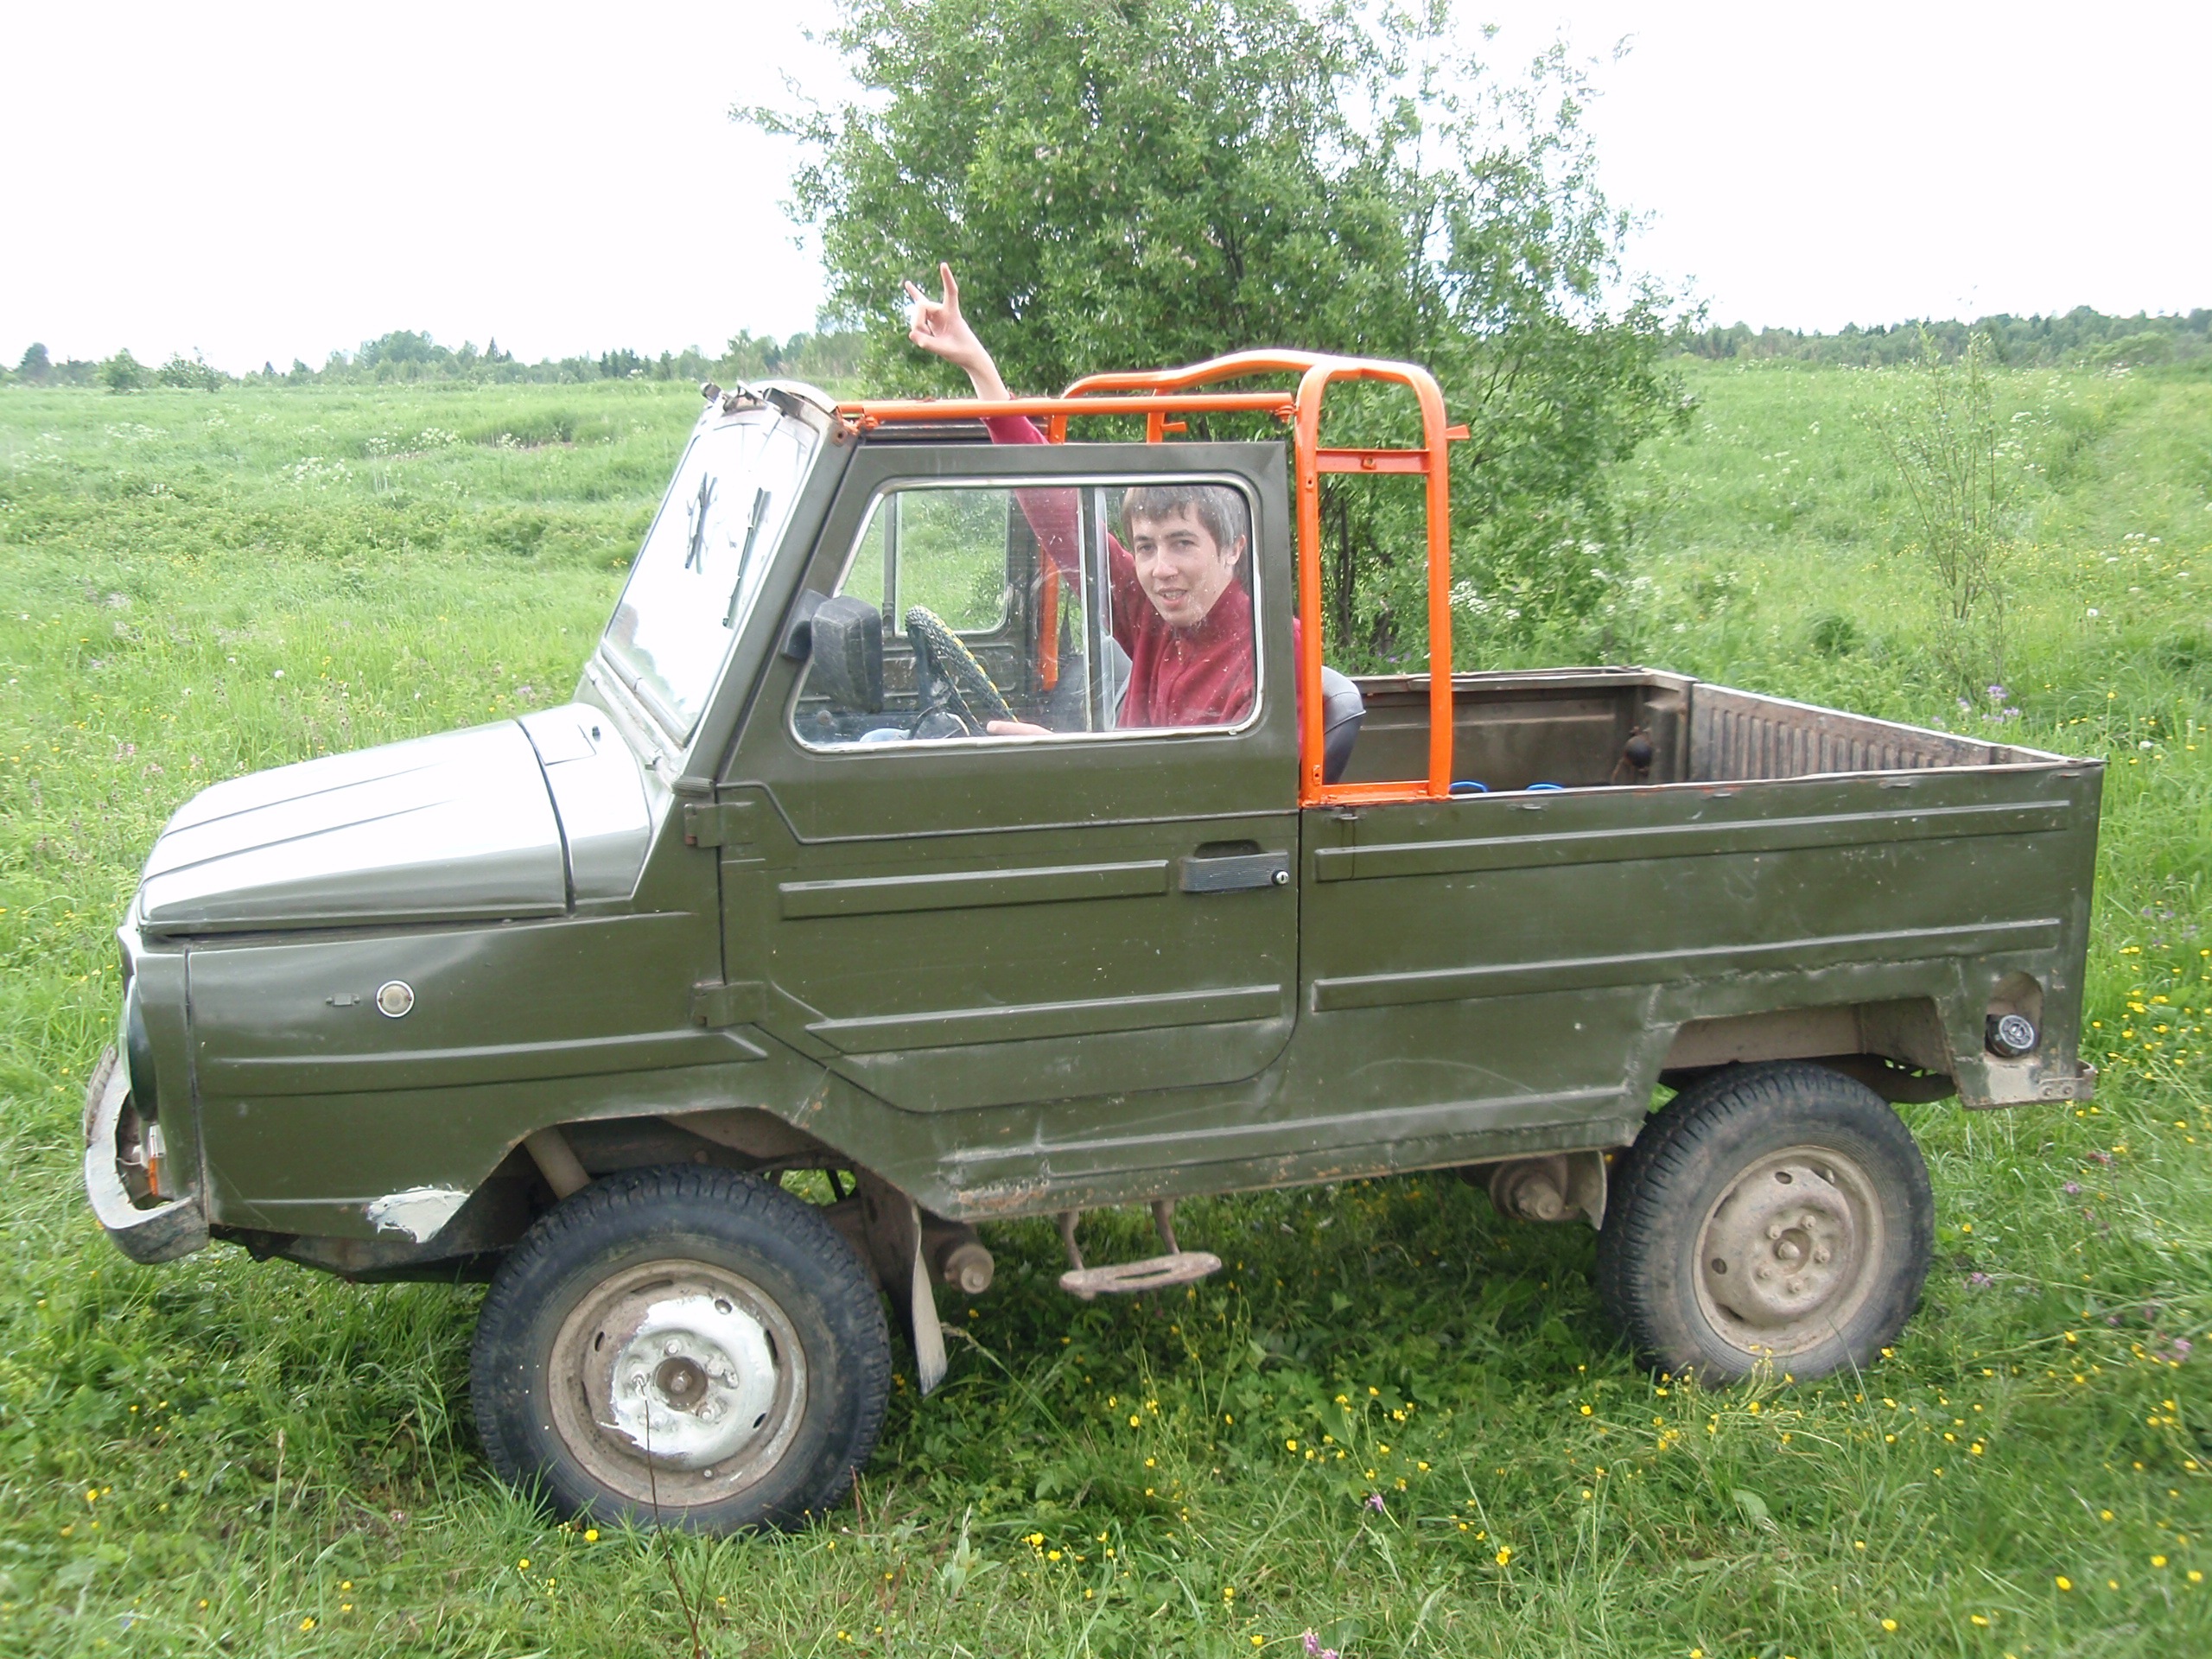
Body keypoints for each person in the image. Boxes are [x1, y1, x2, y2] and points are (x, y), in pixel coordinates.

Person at [902, 264, 1261, 733]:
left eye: (1182, 543)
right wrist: (978, 366)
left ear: (1232, 547)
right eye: (1145, 546)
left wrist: (1059, 759)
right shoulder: (1158, 612)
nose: (1161, 568)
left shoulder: (1269, 658)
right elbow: (1066, 523)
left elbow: (1223, 782)